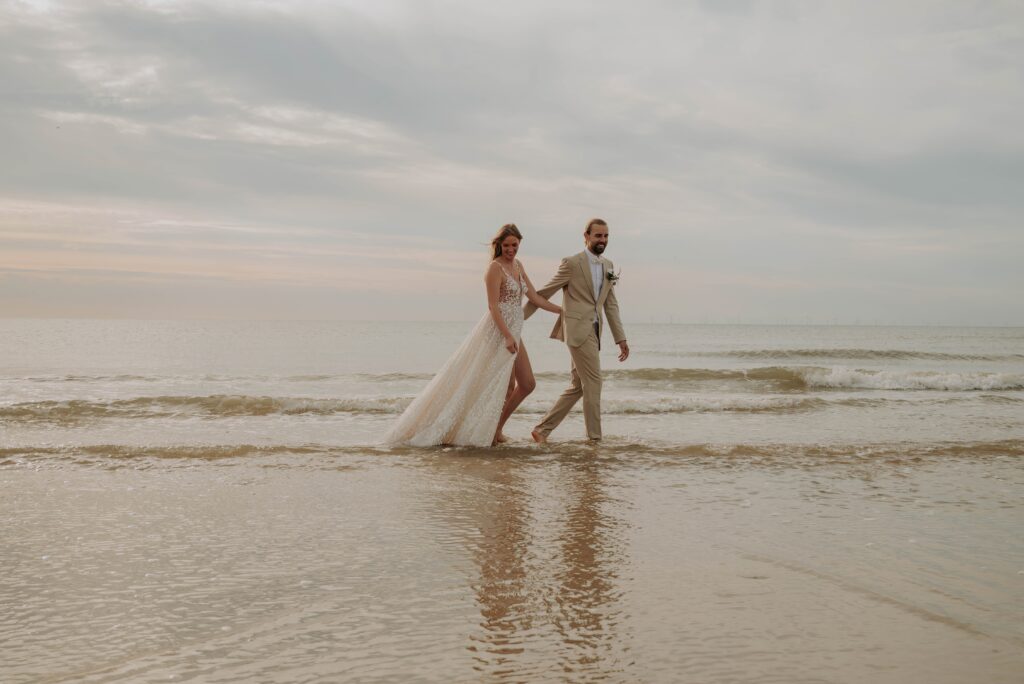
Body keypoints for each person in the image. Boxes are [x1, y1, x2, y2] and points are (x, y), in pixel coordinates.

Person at [384, 224, 562, 447]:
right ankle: (492, 433)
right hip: (499, 332)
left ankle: (496, 428)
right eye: (506, 245)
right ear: (499, 245)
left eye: (514, 245)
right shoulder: (494, 268)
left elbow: (534, 297)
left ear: (520, 243)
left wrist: (562, 311)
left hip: (515, 331)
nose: (510, 249)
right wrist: (507, 336)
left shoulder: (518, 265)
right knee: (504, 386)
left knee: (527, 384)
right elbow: (493, 306)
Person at [525, 218, 629, 442]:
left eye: (606, 236)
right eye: (598, 235)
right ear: (586, 236)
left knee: (578, 386)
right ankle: (595, 440)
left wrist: (620, 338)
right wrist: (518, 319)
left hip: (595, 331)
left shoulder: (609, 266)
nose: (603, 240)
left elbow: (610, 305)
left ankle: (541, 430)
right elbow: (545, 292)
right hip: (577, 330)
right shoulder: (572, 263)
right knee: (594, 382)